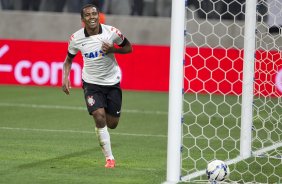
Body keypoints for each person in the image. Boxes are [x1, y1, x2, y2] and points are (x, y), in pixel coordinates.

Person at [62, 4, 132, 168]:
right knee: (99, 116)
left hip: (112, 81)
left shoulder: (112, 32)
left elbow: (129, 48)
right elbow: (68, 60)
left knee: (112, 123)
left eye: (94, 14)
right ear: (83, 19)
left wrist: (113, 50)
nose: (92, 17)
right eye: (88, 15)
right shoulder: (76, 39)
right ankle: (109, 158)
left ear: (98, 16)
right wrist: (65, 77)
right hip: (91, 83)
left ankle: (102, 128)